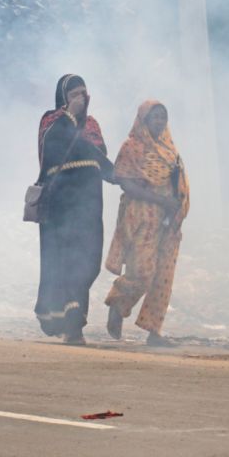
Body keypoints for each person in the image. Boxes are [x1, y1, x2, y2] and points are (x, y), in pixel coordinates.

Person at [35, 74, 115, 345]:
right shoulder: (51, 121)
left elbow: (101, 162)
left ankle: (72, 321)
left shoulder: (92, 125)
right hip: (61, 203)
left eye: (85, 93)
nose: (82, 98)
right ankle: (73, 325)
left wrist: (129, 180)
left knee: (89, 260)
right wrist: (69, 116)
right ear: (64, 97)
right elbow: (50, 152)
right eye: (75, 94)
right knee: (66, 260)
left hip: (90, 202)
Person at [103, 100, 190, 347]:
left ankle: (154, 331)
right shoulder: (132, 146)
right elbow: (125, 182)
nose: (160, 122)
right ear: (143, 120)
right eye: (155, 117)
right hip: (141, 216)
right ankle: (118, 303)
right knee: (142, 271)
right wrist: (159, 199)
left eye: (163, 117)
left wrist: (176, 204)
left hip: (167, 221)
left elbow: (177, 181)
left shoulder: (168, 150)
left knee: (163, 274)